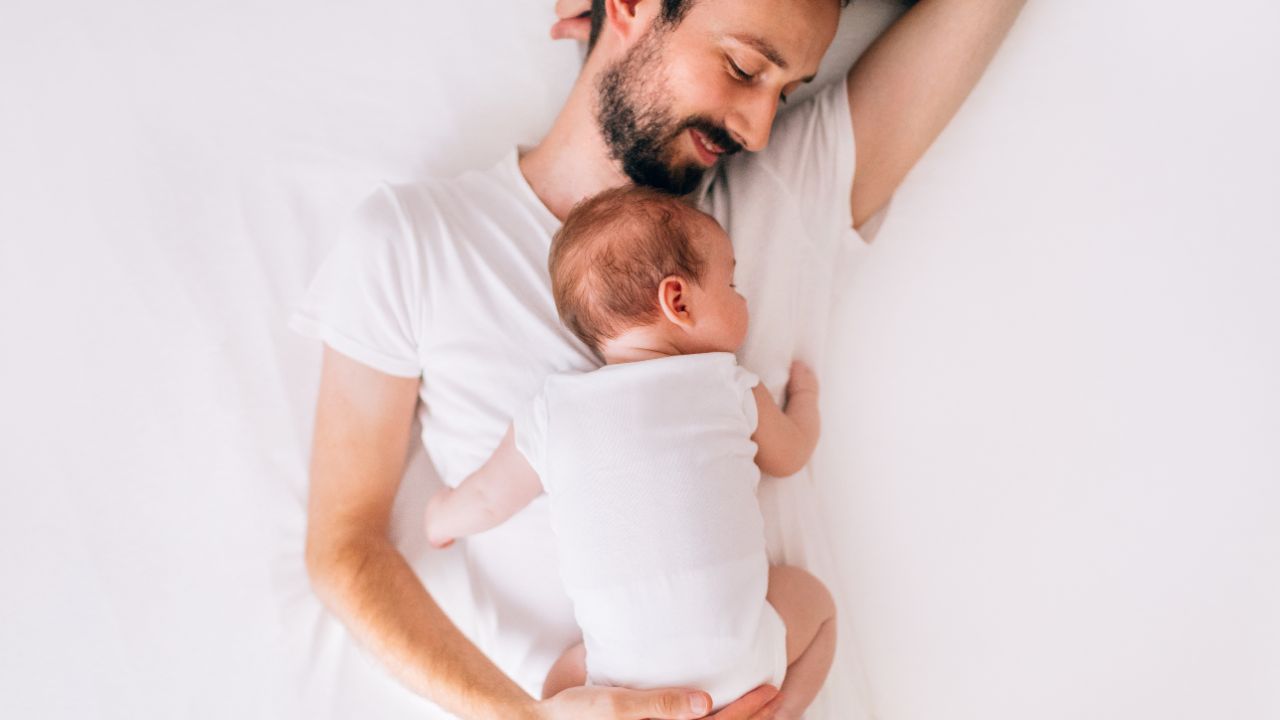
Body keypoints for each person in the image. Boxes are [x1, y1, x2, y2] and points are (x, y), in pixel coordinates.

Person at [294, 0, 1026, 718]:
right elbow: (345, 549)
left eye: (786, 90)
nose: (761, 128)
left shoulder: (782, 191)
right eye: (744, 67)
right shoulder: (416, 241)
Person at [422, 186, 835, 717]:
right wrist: (807, 399)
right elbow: (792, 454)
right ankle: (781, 708)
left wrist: (439, 517)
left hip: (620, 688)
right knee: (818, 609)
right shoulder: (727, 385)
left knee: (556, 688)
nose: (743, 296)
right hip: (745, 668)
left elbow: (485, 499)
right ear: (678, 302)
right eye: (730, 283)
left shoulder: (554, 412)